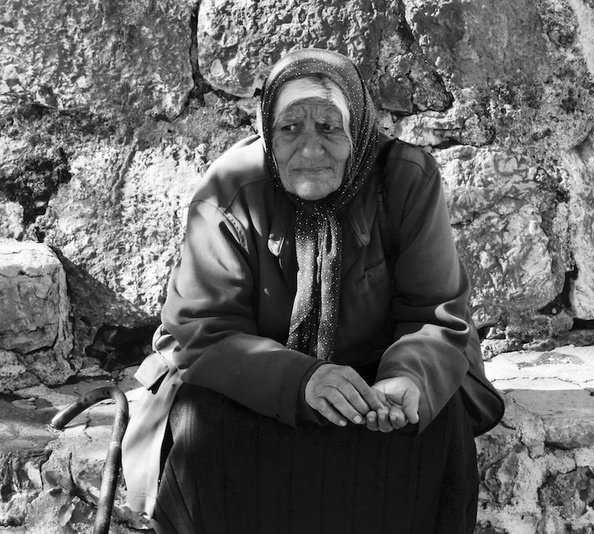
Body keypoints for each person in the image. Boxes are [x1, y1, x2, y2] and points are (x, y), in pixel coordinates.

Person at [121, 48, 503, 534]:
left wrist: (406, 382)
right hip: (258, 378)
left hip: (377, 378)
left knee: (435, 424)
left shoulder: (405, 178)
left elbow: (436, 313)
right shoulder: (231, 188)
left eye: (328, 127)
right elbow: (202, 330)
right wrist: (302, 380)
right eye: (290, 128)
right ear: (267, 132)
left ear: (359, 128)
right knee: (203, 426)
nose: (309, 150)